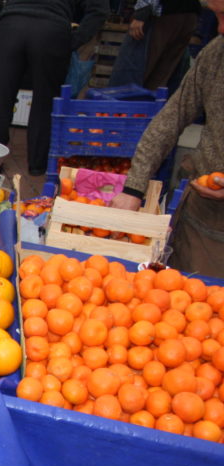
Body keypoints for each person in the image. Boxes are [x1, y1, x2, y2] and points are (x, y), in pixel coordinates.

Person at [110, 0, 224, 277]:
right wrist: (134, 188)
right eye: (216, 16)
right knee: (182, 292)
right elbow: (171, 118)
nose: (220, 28)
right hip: (203, 218)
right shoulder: (215, 55)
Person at [0, 0, 110, 177]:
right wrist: (74, 40)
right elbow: (99, 10)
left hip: (11, 26)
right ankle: (37, 164)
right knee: (45, 101)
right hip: (52, 30)